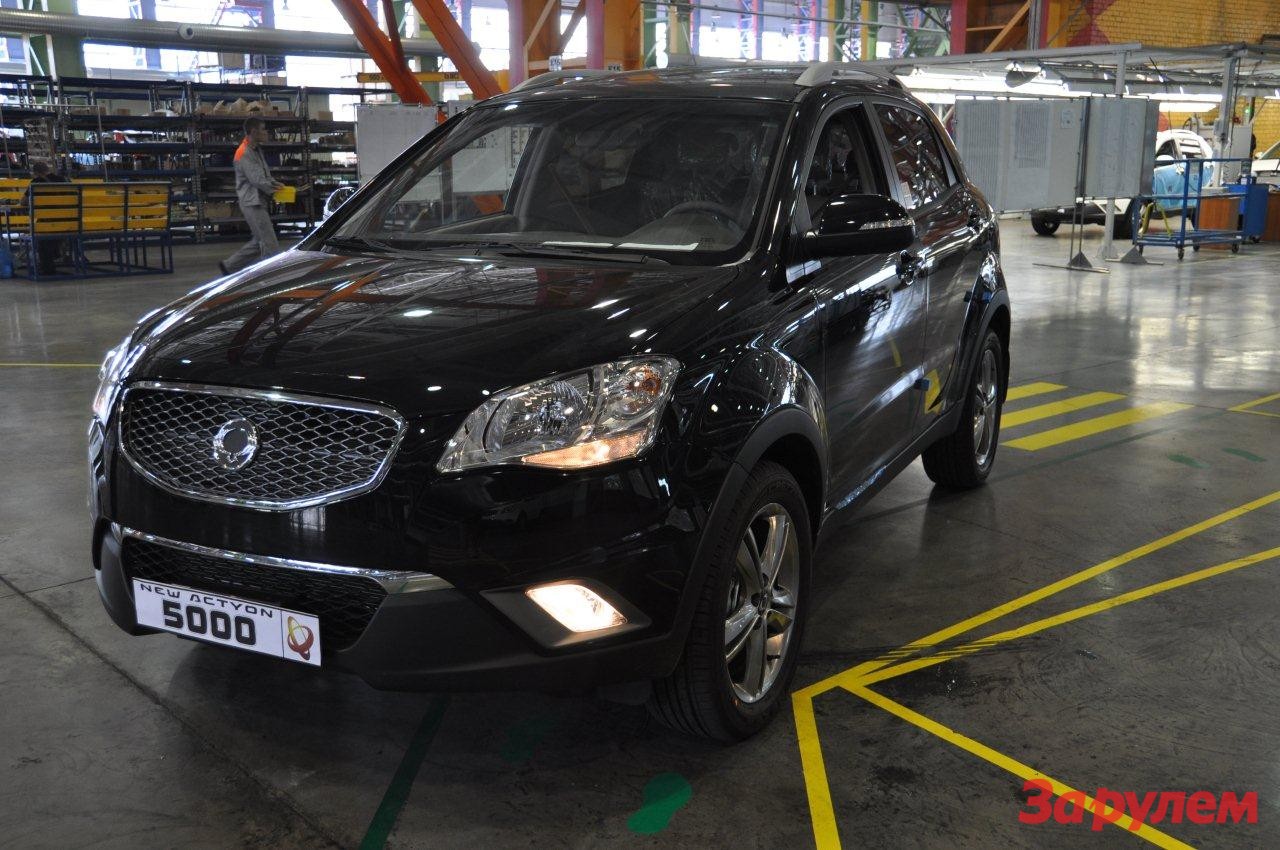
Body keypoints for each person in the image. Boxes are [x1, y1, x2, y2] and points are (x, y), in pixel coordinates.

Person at [220, 116, 285, 275]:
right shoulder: (244, 152)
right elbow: (257, 180)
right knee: (270, 244)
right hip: (252, 202)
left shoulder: (255, 149)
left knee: (259, 241)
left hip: (256, 200)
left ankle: (229, 266)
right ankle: (270, 277)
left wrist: (276, 184)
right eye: (263, 129)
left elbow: (264, 175)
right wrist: (275, 189)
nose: (266, 132)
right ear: (254, 132)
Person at [23, 160, 71, 276]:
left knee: (43, 231)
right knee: (49, 231)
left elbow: (23, 202)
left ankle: (48, 267)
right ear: (47, 169)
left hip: (47, 223)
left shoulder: (36, 182)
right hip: (68, 221)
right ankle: (55, 254)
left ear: (36, 173)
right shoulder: (63, 180)